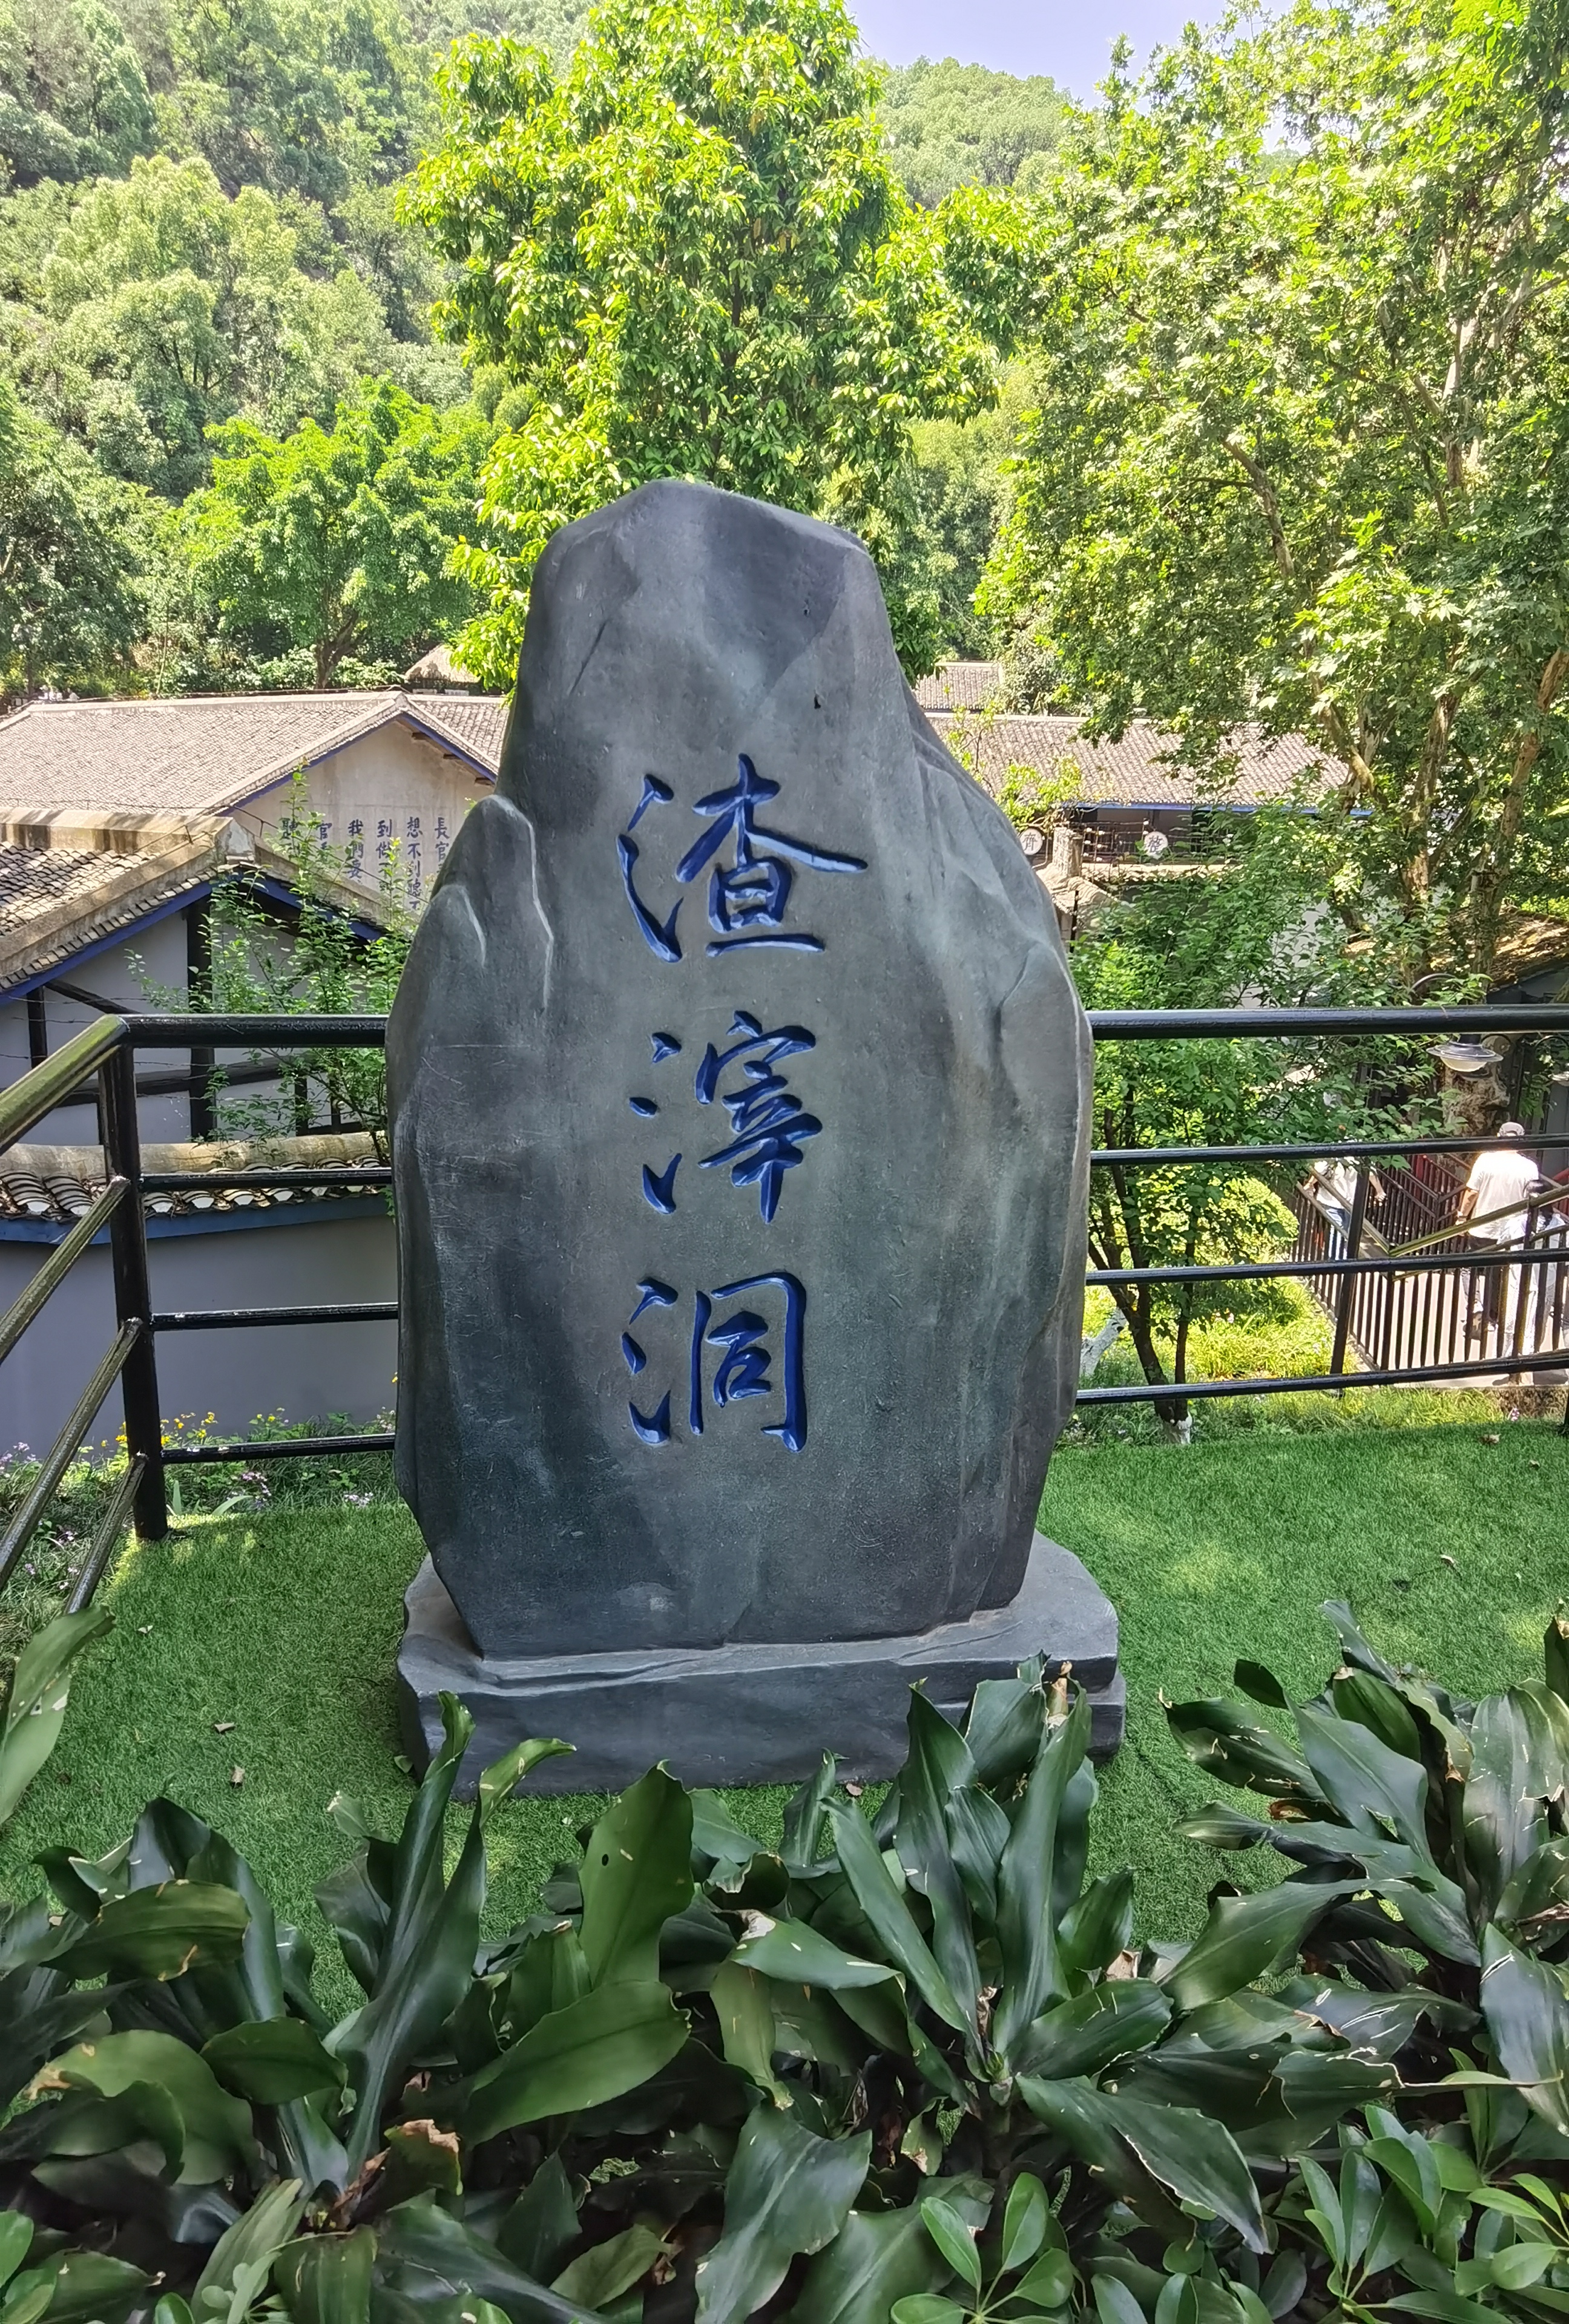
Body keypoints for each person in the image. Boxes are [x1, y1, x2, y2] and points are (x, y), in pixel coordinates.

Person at [1458, 1122, 1545, 1348]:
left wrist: (1461, 1217)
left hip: (1482, 1225)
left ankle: (1475, 1304)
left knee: (1469, 1266)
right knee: (1498, 1271)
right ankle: (1493, 1316)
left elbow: (1472, 1193)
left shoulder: (1485, 1160)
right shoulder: (1529, 1167)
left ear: (1499, 1136)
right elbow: (1532, 1198)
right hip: (1512, 1230)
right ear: (1521, 1139)